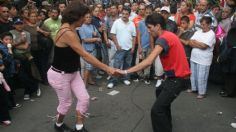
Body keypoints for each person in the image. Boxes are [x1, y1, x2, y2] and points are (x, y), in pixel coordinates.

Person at [47, 2, 116, 132]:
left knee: (84, 99)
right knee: (66, 103)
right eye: (84, 16)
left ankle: (79, 127)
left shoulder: (72, 28)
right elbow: (84, 55)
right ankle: (58, 124)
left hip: (73, 72)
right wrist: (107, 68)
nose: (85, 19)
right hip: (60, 75)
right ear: (76, 16)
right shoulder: (67, 32)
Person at [117, 13, 191, 132]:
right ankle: (167, 125)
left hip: (179, 79)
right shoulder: (168, 35)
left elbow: (148, 61)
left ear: (158, 26)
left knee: (157, 110)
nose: (148, 30)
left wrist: (125, 71)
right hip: (174, 77)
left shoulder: (164, 38)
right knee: (159, 91)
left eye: (150, 27)